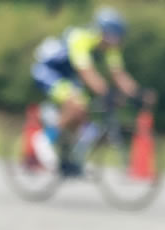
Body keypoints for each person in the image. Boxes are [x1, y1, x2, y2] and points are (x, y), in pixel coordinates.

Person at [30, 6, 154, 170]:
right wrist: (107, 92)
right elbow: (86, 72)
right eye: (118, 37)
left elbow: (119, 75)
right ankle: (44, 139)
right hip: (48, 69)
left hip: (68, 76)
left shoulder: (111, 48)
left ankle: (69, 157)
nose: (119, 42)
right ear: (106, 33)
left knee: (84, 114)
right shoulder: (80, 38)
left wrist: (138, 93)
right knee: (76, 102)